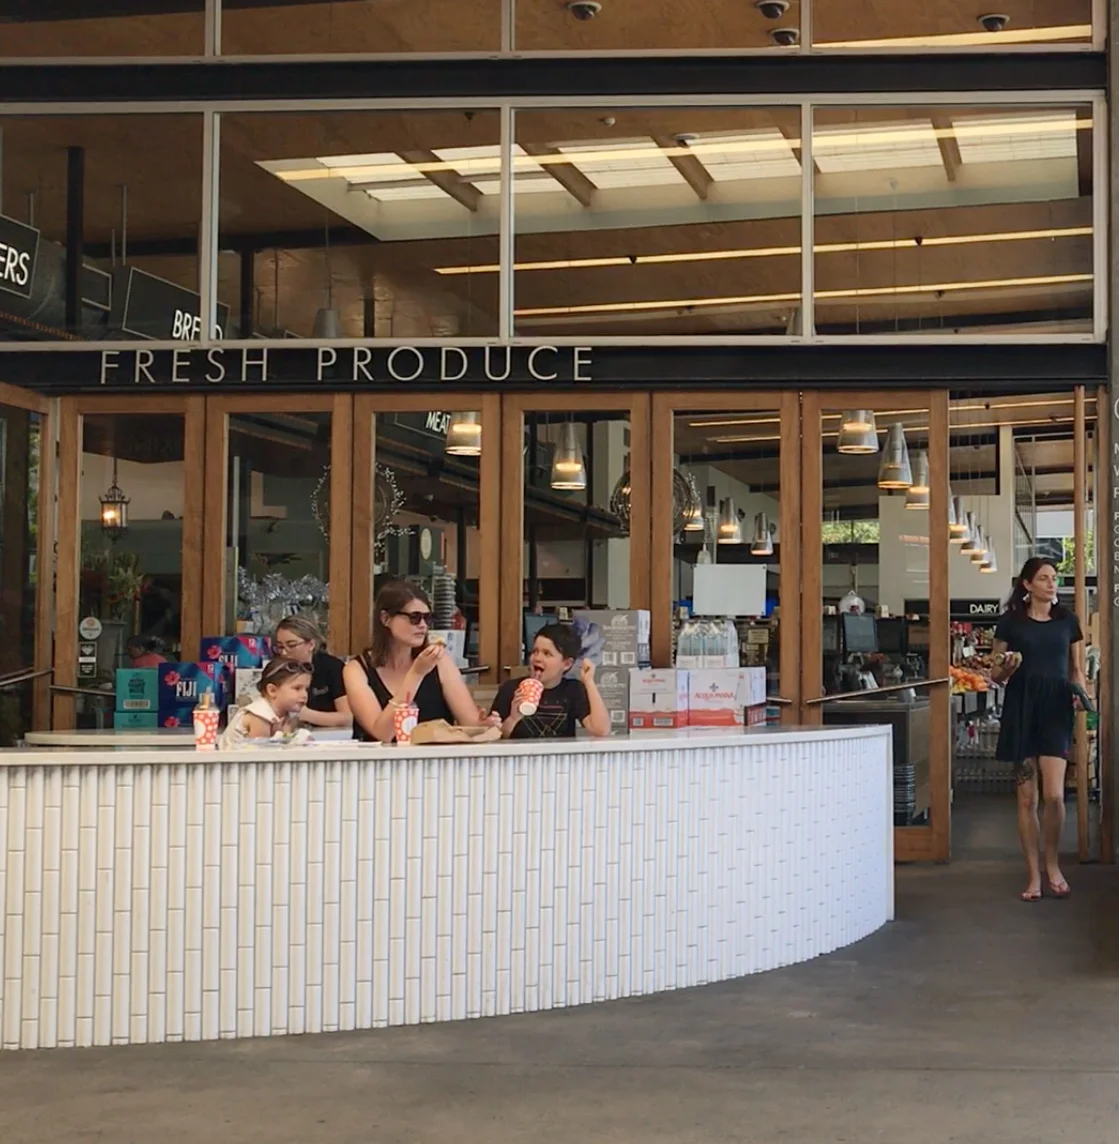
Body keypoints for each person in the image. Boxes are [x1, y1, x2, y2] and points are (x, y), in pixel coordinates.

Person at [989, 557, 1086, 902]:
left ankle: (1053, 865)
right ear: (1027, 585)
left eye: (1054, 578)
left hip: (1057, 707)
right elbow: (995, 673)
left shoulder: (1068, 621)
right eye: (1043, 578)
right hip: (1021, 708)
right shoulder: (1010, 622)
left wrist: (1082, 698)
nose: (1051, 583)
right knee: (1027, 797)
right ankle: (1033, 876)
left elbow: (1076, 670)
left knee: (1055, 796)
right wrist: (1007, 667)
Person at [344, 580, 481, 743]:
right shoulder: (357, 670)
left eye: (427, 618)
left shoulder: (439, 662)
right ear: (385, 618)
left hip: (433, 757)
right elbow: (383, 734)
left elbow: (472, 724)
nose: (423, 625)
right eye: (414, 617)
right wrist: (416, 674)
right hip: (381, 758)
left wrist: (487, 724)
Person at [490, 622, 610, 740]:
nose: (537, 658)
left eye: (547, 654)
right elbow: (494, 737)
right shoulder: (512, 689)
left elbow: (600, 730)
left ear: (567, 664)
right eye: (535, 651)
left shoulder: (573, 690)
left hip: (560, 753)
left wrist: (589, 682)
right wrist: (513, 718)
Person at [272, 615, 352, 729]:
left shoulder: (332, 668)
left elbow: (348, 718)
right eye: (280, 647)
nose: (284, 653)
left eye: (291, 645)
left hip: (332, 734)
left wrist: (306, 715)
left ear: (311, 645)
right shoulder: (277, 668)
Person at [220, 659, 312, 749]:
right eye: (297, 688)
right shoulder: (260, 715)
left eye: (306, 689)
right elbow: (262, 754)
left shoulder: (289, 715)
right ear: (272, 691)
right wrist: (281, 737)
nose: (304, 695)